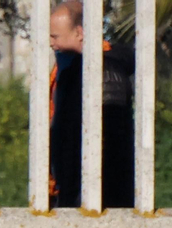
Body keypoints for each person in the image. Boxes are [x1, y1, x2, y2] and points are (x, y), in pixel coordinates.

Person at [48, 0, 136, 209]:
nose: (51, 42)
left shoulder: (105, 71)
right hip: (72, 187)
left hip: (98, 195)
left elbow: (110, 143)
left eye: (55, 36)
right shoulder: (69, 66)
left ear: (79, 32)